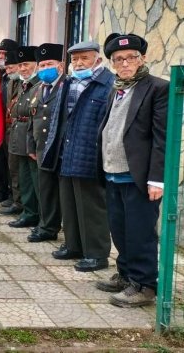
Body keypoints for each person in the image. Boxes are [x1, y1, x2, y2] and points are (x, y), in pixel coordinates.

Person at [96, 34, 166, 307]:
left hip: (139, 176)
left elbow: (161, 137)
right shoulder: (116, 88)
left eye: (131, 58)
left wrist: (156, 179)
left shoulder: (157, 88)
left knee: (141, 232)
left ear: (142, 59)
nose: (125, 63)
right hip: (113, 172)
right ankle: (126, 274)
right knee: (120, 229)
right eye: (119, 59)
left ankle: (145, 285)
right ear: (113, 63)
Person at [42, 39, 114, 272]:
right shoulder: (69, 82)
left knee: (91, 207)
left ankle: (96, 253)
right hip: (65, 152)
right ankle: (73, 245)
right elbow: (58, 118)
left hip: (89, 154)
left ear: (98, 60)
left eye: (85, 58)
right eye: (75, 59)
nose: (79, 63)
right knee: (69, 203)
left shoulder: (108, 85)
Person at [26, 43, 65, 242]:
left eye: (49, 64)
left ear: (60, 66)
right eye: (41, 65)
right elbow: (33, 119)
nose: (44, 68)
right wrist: (31, 145)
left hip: (59, 149)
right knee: (45, 190)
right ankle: (47, 226)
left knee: (60, 193)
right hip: (41, 148)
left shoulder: (66, 86)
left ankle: (54, 226)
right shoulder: (37, 89)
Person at [6, 46, 40, 229]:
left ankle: (41, 216)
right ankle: (29, 212)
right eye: (20, 65)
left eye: (26, 64)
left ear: (36, 65)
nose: (23, 68)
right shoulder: (23, 84)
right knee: (24, 178)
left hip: (32, 136)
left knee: (36, 181)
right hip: (19, 134)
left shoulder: (39, 84)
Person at [0, 38, 18, 204]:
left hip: (10, 125)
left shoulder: (15, 76)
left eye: (4, 53)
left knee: (11, 162)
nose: (1, 56)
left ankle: (12, 194)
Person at [0, 50, 24, 215]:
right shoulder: (9, 82)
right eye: (7, 68)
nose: (9, 71)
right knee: (12, 167)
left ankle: (22, 202)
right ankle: (15, 198)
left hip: (22, 129)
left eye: (12, 67)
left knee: (21, 169)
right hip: (10, 128)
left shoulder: (26, 83)